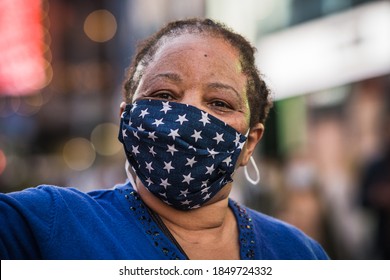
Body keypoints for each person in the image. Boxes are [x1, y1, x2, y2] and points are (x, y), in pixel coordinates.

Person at [0, 18, 329, 260]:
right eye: (163, 95)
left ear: (250, 143)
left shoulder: (299, 254)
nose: (187, 114)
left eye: (219, 102)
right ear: (126, 119)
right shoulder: (49, 225)